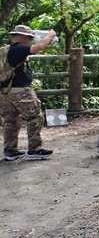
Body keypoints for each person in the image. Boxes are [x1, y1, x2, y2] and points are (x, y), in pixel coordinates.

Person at [0, 25, 56, 161]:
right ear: (22, 36)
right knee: (36, 116)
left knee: (11, 121)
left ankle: (10, 151)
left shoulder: (5, 50)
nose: (30, 40)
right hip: (20, 91)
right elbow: (39, 47)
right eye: (29, 37)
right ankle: (34, 149)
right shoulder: (18, 48)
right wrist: (49, 35)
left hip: (5, 91)